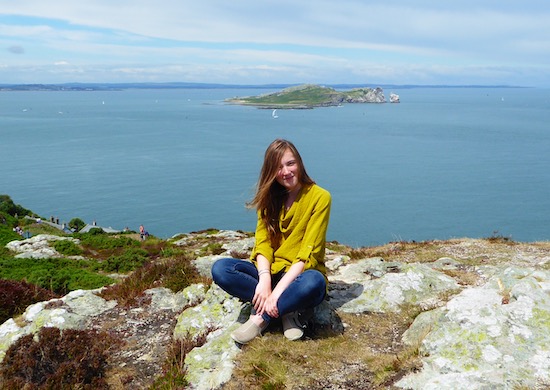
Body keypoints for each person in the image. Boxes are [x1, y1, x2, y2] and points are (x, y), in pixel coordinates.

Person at [211, 139, 331, 344]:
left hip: (299, 276)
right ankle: (287, 310)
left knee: (315, 283)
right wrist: (265, 281)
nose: (286, 171)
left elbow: (307, 255)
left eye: (290, 163)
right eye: (278, 167)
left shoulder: (320, 198)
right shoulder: (269, 198)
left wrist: (275, 294)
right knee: (221, 269)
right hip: (271, 273)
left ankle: (261, 318)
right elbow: (263, 244)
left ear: (299, 163)